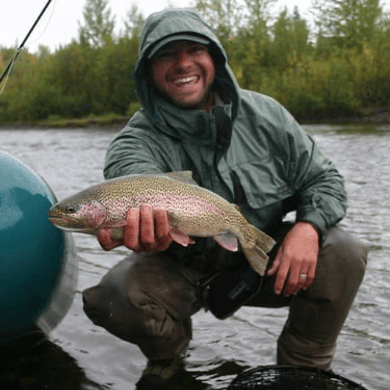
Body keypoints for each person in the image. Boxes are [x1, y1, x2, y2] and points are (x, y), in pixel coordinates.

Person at [82, 8, 368, 388]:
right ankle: (169, 358)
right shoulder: (134, 143)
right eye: (167, 54)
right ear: (148, 71)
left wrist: (308, 226)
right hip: (177, 267)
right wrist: (139, 227)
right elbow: (127, 184)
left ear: (213, 58)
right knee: (112, 298)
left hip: (260, 260)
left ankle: (305, 369)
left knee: (344, 250)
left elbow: (324, 179)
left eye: (194, 50)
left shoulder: (266, 116)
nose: (183, 63)